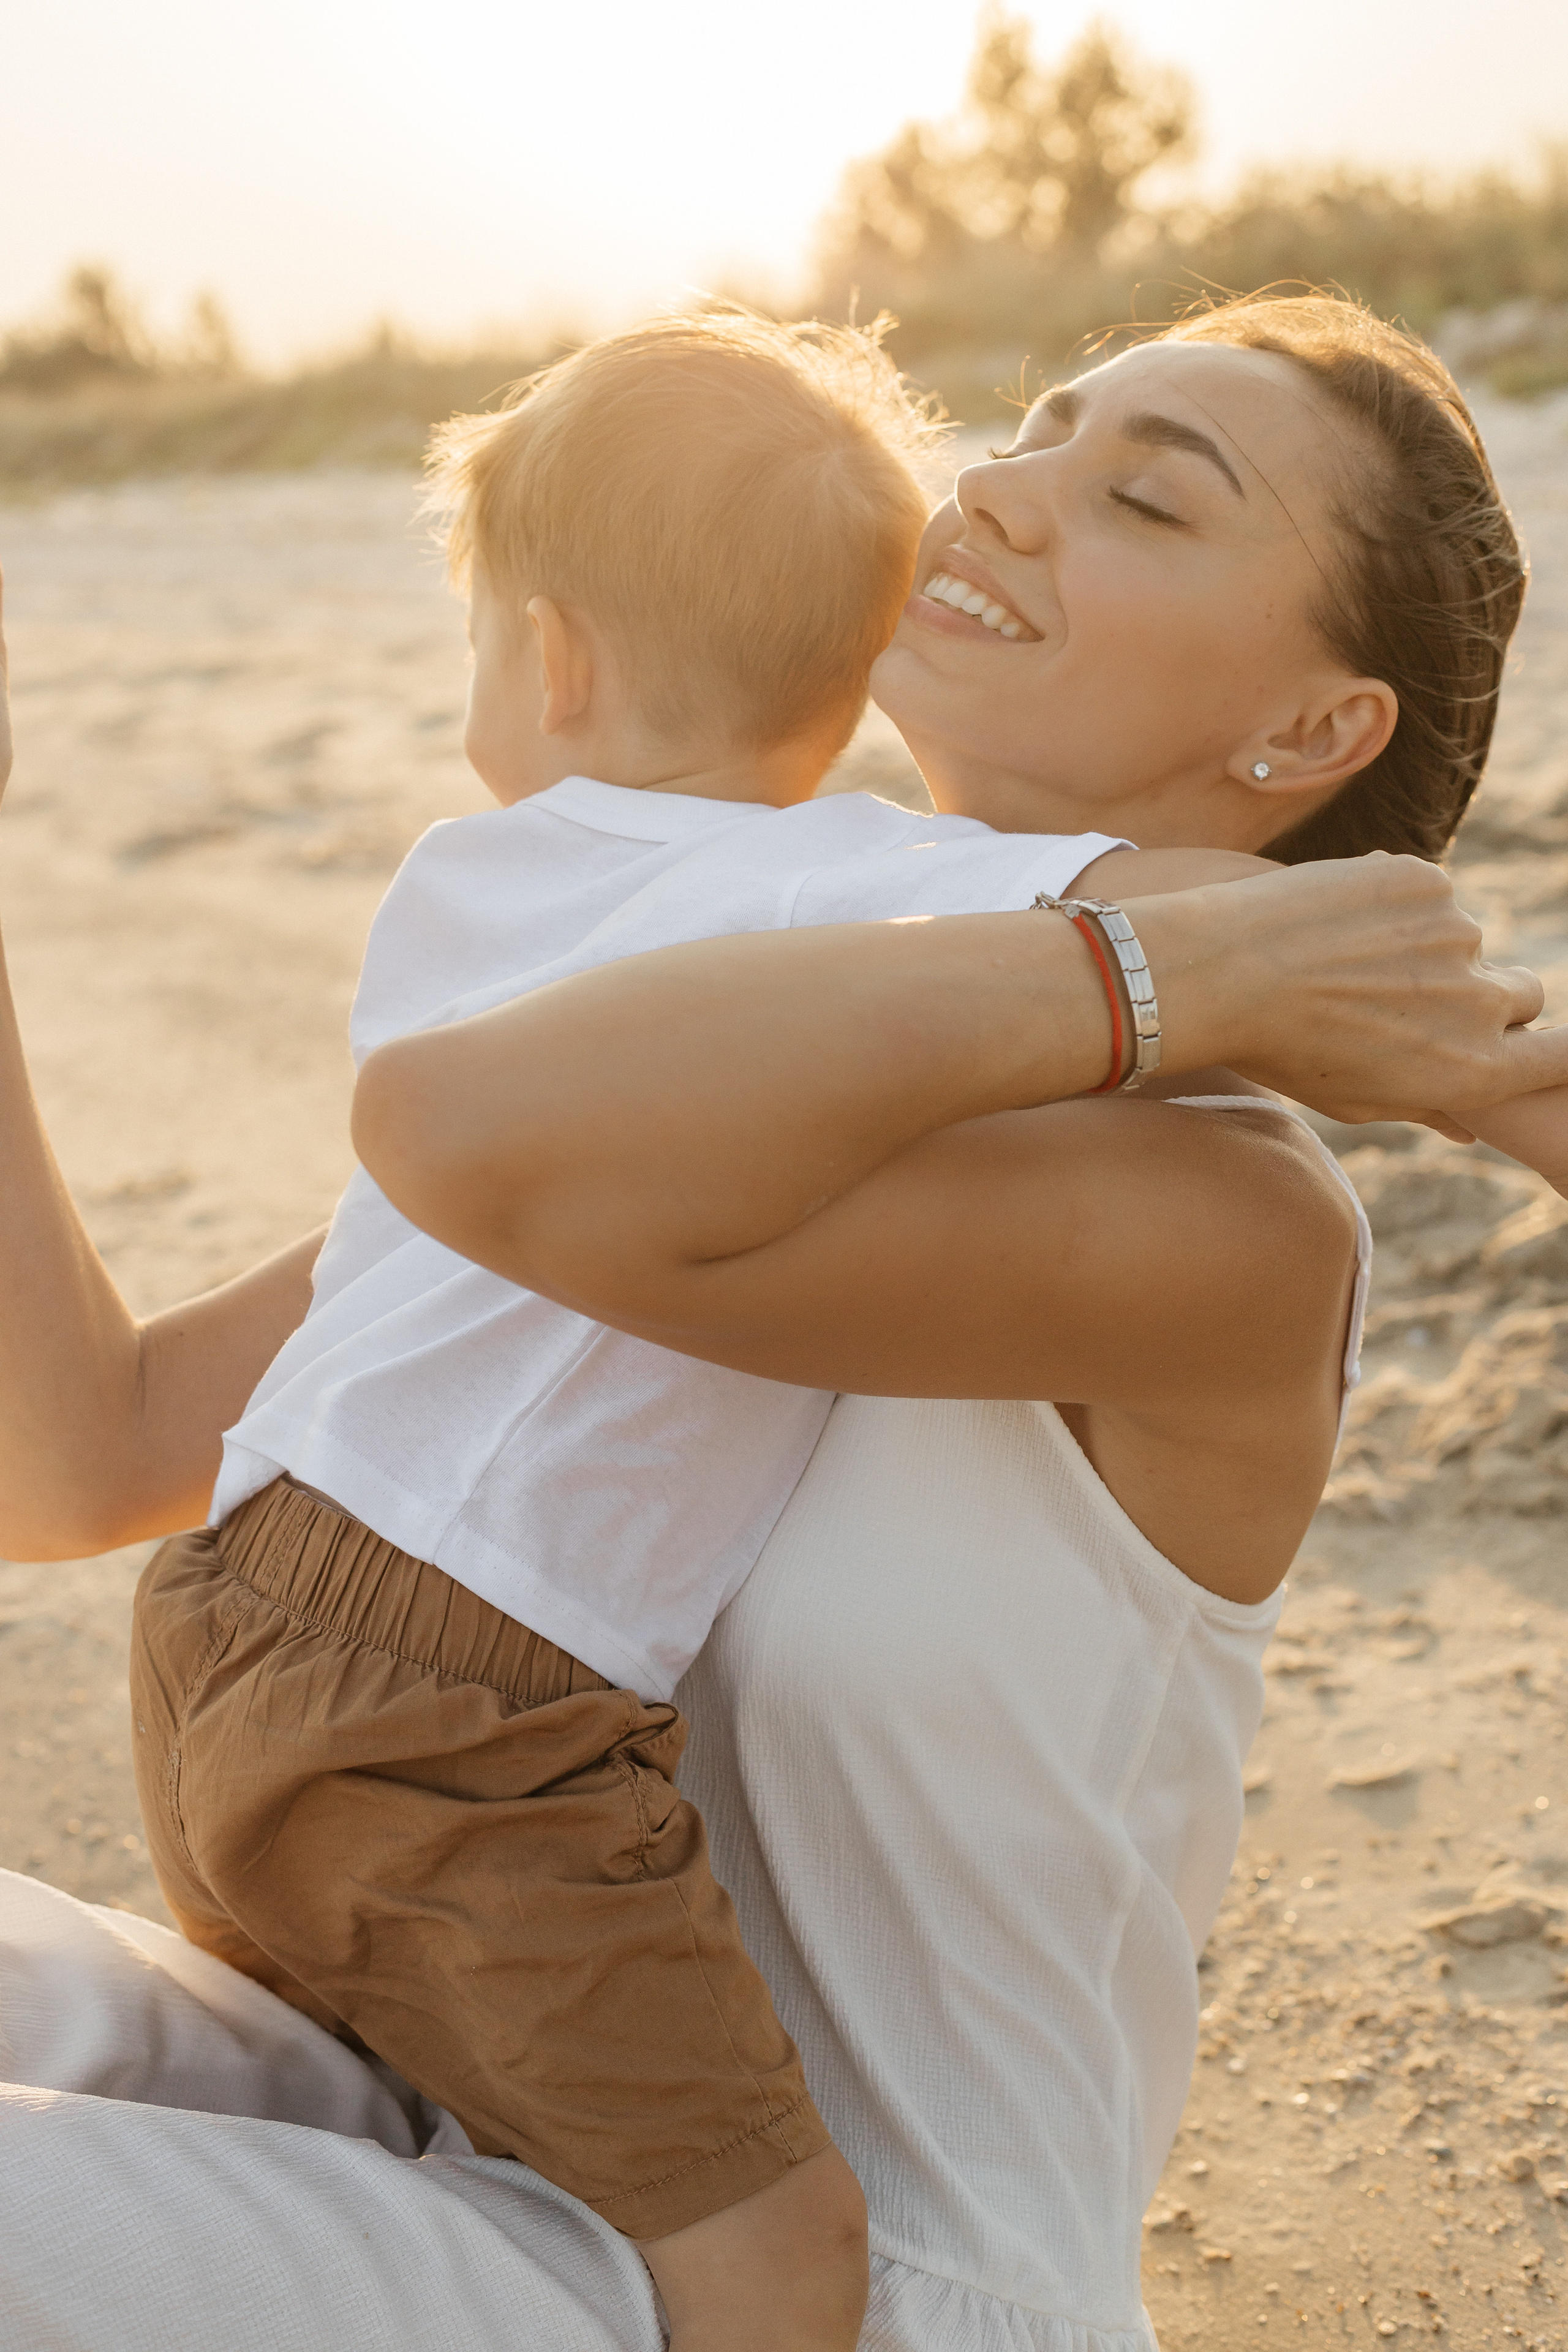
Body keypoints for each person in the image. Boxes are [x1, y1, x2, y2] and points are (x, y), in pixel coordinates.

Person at [1, 293, 1566, 2351]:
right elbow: (90, 1450)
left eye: (1143, 498)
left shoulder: (1234, 1218)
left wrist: (1173, 982)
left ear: (1304, 735)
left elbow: (459, 1126)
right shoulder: (743, 1000)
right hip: (461, 2099)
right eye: (1028, 425)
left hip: (845, 2290)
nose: (999, 494)